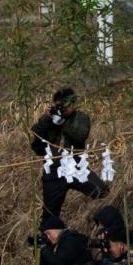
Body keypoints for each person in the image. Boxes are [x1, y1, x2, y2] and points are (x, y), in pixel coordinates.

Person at [30, 88, 107, 218]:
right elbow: (36, 146)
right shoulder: (49, 120)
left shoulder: (81, 117)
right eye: (58, 105)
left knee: (101, 191)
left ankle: (103, 219)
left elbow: (80, 136)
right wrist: (46, 120)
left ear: (73, 104)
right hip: (53, 170)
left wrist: (63, 122)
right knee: (49, 214)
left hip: (75, 165)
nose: (62, 108)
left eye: (64, 105)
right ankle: (49, 235)